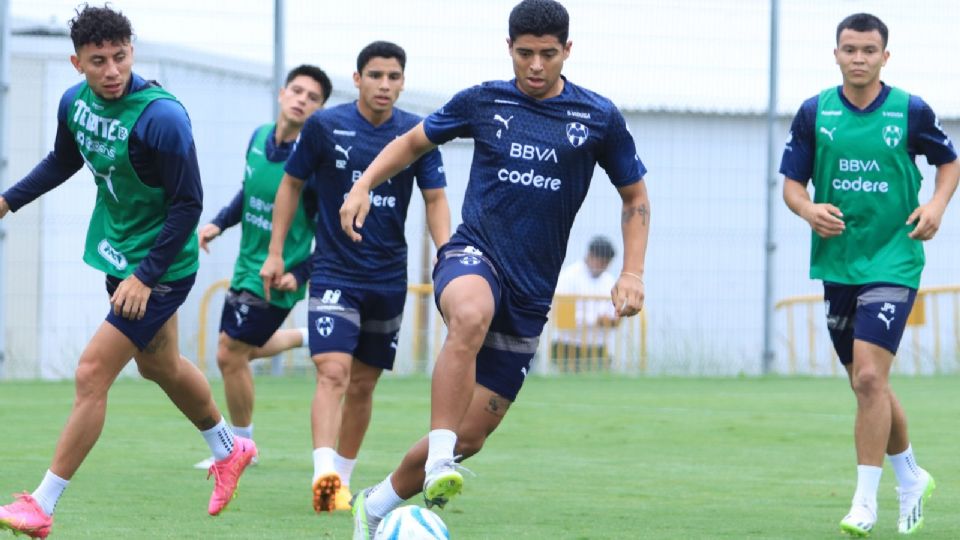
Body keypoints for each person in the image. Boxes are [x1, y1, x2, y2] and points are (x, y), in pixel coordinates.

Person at [338, 1, 648, 536]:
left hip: (531, 292)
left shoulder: (597, 117)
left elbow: (635, 196)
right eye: (524, 53)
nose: (534, 65)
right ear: (509, 48)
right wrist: (362, 184)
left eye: (547, 55)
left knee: (473, 435)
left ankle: (377, 501)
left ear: (566, 52)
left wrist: (633, 272)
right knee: (470, 314)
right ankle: (439, 461)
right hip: (473, 254)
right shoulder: (484, 100)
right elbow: (413, 142)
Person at [0, 6, 258, 538]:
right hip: (119, 255)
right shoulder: (74, 103)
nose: (112, 70)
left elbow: (189, 205)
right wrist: (8, 201)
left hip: (161, 266)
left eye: (121, 57)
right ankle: (229, 450)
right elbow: (62, 160)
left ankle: (43, 504)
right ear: (78, 63)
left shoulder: (162, 118)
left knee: (92, 372)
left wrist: (146, 276)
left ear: (132, 52)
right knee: (159, 366)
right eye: (99, 61)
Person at [780, 13, 959, 537]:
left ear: (886, 55)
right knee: (868, 386)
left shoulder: (910, 110)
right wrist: (807, 210)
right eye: (849, 49)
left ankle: (865, 503)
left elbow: (949, 162)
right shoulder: (816, 113)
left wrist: (936, 206)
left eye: (869, 50)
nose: (859, 58)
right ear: (835, 53)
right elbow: (792, 185)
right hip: (838, 264)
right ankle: (911, 477)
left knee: (868, 377)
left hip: (894, 259)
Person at [259, 41, 450, 513]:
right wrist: (276, 253)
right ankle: (324, 478)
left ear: (403, 81)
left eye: (393, 76)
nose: (384, 84)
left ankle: (341, 482)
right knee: (332, 371)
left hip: (388, 278)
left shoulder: (416, 132)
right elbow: (290, 184)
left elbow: (435, 199)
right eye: (375, 75)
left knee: (364, 384)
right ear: (357, 78)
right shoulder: (326, 125)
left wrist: (447, 256)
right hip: (334, 271)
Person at [190, 64, 332, 470]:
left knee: (229, 354)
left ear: (319, 110)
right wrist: (217, 223)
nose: (303, 99)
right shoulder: (257, 138)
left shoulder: (313, 165)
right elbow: (248, 191)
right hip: (245, 264)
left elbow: (331, 234)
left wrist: (301, 272)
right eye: (298, 91)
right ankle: (306, 337)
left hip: (277, 274)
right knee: (241, 349)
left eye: (313, 97)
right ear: (282, 93)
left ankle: (240, 449)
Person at [552, 235, 619, 370]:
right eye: (601, 261)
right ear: (590, 255)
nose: (603, 266)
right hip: (568, 347)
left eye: (607, 263)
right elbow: (563, 318)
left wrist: (613, 320)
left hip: (599, 348)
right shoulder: (568, 277)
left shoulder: (609, 281)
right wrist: (596, 320)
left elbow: (615, 316)